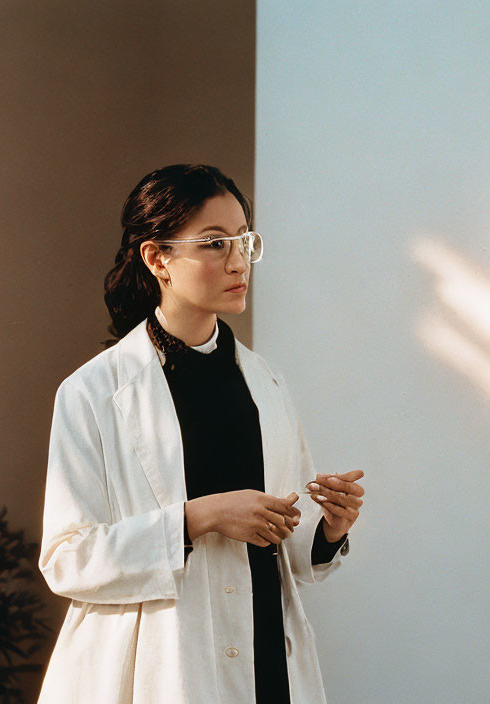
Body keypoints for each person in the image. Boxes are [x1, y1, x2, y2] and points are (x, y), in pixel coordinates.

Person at [37, 164, 365, 703]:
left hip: (265, 662)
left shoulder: (267, 383)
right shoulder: (93, 392)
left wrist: (330, 527)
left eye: (243, 240)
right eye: (215, 243)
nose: (239, 262)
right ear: (157, 257)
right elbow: (67, 558)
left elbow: (291, 543)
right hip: (163, 665)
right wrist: (198, 518)